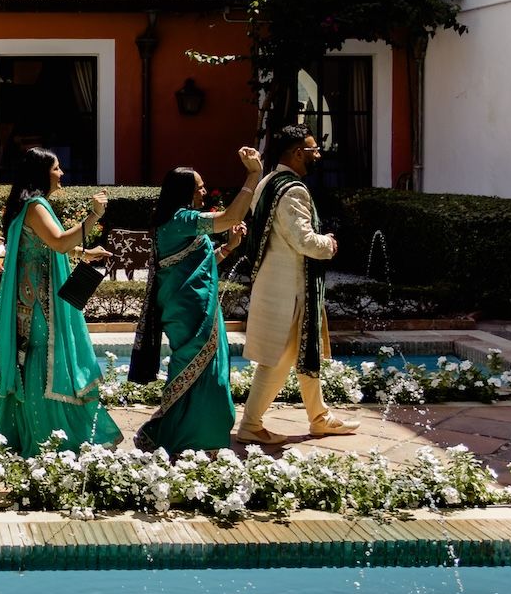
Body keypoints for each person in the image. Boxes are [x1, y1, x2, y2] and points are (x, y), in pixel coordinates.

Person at [0, 147, 118, 457]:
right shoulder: (35, 206)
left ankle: (32, 434)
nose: (61, 173)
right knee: (44, 361)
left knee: (34, 360)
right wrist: (94, 216)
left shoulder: (28, 206)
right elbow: (58, 243)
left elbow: (45, 244)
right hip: (39, 305)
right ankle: (47, 438)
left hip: (30, 300)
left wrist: (84, 253)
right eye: (56, 168)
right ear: (41, 173)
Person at [133, 153, 262, 457]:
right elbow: (230, 217)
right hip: (189, 313)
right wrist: (253, 176)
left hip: (197, 309)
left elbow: (198, 264)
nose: (204, 191)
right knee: (200, 374)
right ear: (185, 193)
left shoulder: (182, 224)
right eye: (199, 187)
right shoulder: (180, 220)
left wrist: (228, 248)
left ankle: (196, 438)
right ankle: (180, 438)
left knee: (209, 375)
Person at [236, 126, 355, 445]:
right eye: (314, 150)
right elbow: (304, 241)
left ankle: (319, 417)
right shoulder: (293, 190)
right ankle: (251, 424)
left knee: (301, 352)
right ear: (297, 153)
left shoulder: (268, 182)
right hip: (291, 290)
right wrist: (328, 244)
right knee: (280, 359)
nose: (319, 155)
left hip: (276, 284)